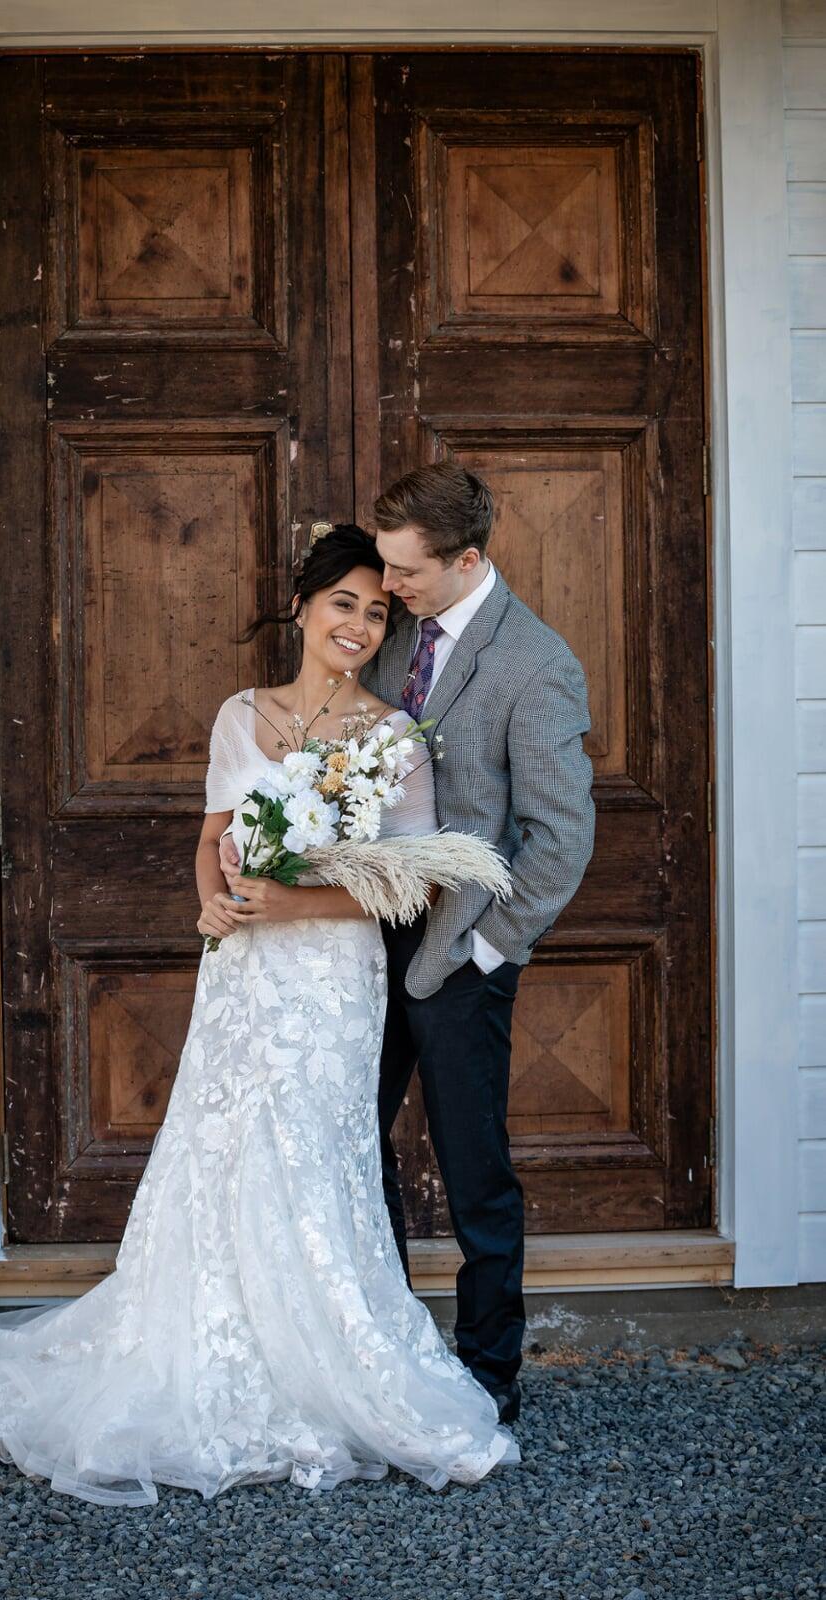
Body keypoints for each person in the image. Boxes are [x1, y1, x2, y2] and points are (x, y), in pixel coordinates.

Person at [0, 524, 518, 1507]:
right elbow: (212, 840)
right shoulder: (240, 714)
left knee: (313, 1148)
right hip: (242, 974)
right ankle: (215, 1338)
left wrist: (290, 902)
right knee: (222, 1145)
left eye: (377, 612)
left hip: (331, 980)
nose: (360, 625)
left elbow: (406, 888)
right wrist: (210, 904)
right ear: (301, 606)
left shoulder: (392, 736)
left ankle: (328, 1354)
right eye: (345, 603)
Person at [360, 461, 595, 1425]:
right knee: (346, 1142)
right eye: (383, 566)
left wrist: (491, 951)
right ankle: (379, 1345)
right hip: (360, 942)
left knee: (473, 1170)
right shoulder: (388, 632)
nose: (386, 586)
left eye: (405, 570)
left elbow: (560, 837)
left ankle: (488, 1372)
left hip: (460, 954)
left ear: (464, 560)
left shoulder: (535, 662)